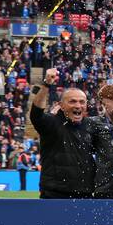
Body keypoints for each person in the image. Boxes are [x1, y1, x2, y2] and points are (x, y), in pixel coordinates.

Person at [28, 67, 95, 199]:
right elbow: (36, 114)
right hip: (55, 194)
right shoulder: (51, 123)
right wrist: (47, 83)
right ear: (61, 105)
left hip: (85, 194)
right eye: (72, 101)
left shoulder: (91, 126)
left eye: (82, 102)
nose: (78, 105)